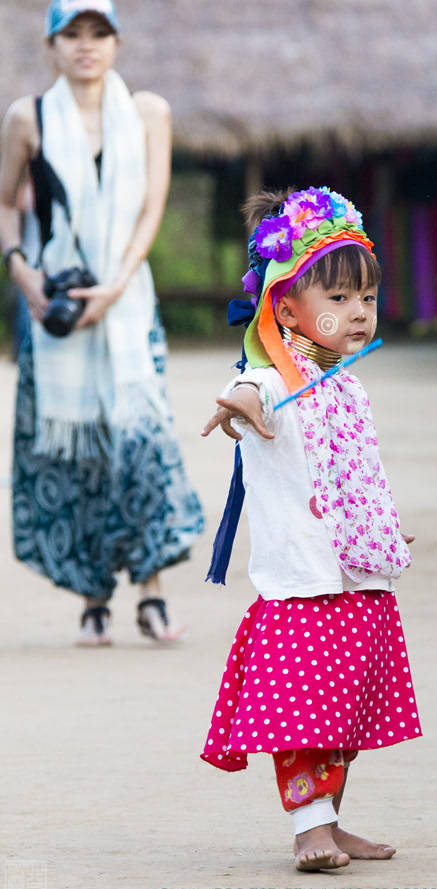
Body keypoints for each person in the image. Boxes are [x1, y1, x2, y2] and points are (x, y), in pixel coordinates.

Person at [201, 187, 421, 871]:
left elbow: (352, 480)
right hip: (302, 587)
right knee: (305, 721)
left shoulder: (346, 388)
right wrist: (237, 404)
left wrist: (380, 528)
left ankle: (330, 820)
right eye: (338, 299)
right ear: (287, 309)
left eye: (367, 298)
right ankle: (309, 830)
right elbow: (251, 394)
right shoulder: (275, 380)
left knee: (342, 717)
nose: (358, 312)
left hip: (354, 579)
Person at [0, 0, 204, 646]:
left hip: (129, 306)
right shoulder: (27, 118)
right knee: (78, 452)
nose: (86, 46)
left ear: (116, 43)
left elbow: (152, 208)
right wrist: (21, 271)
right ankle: (93, 600)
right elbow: (6, 204)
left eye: (99, 33)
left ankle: (152, 594)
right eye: (72, 34)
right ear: (51, 45)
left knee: (142, 444)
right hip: (54, 310)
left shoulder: (148, 113)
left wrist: (117, 283)